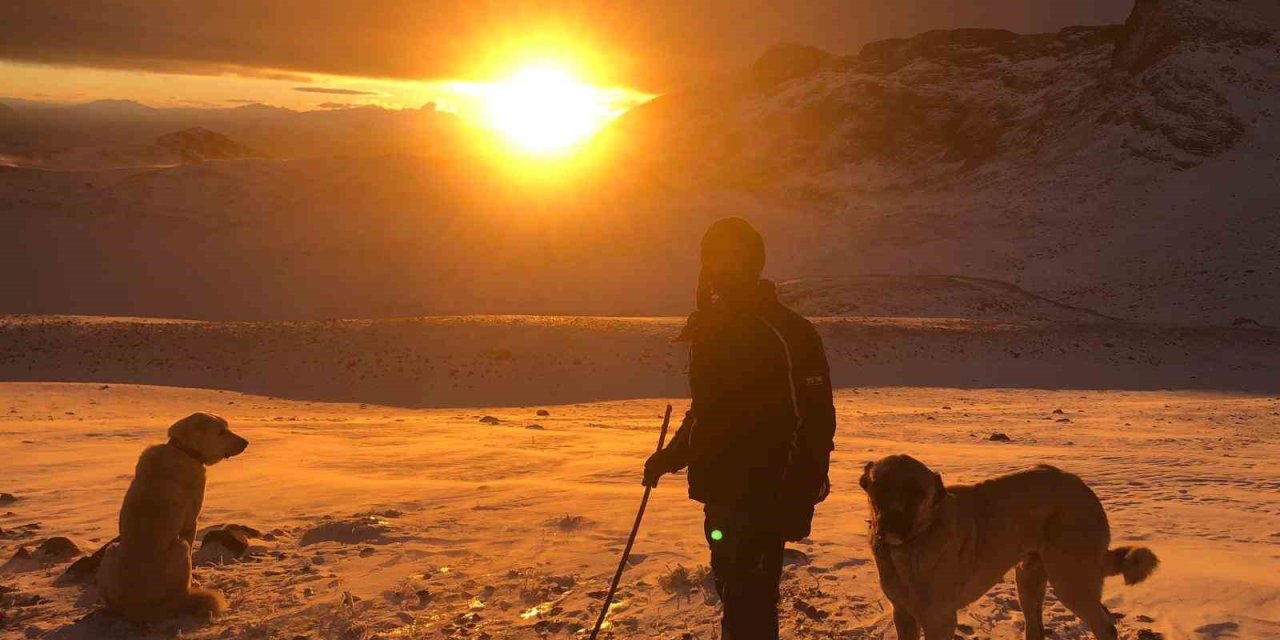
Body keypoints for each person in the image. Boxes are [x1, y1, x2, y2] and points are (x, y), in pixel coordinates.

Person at [643, 217, 836, 640]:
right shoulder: (710, 329)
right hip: (720, 492)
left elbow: (816, 420)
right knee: (731, 589)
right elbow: (706, 411)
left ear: (754, 264)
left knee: (751, 605)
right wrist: (670, 457)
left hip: (768, 496)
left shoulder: (789, 333)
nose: (723, 268)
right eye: (715, 259)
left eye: (735, 258)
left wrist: (799, 496)